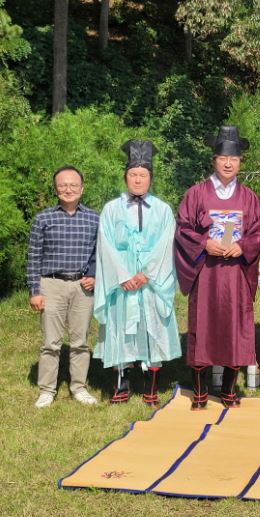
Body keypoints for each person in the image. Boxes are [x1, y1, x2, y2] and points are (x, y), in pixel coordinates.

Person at [175, 126, 260, 410]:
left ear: (240, 161)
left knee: (235, 328)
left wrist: (243, 246)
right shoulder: (196, 194)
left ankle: (228, 389)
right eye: (223, 158)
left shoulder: (248, 197)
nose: (228, 164)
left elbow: (258, 229)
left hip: (235, 273)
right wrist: (204, 243)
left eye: (234, 159)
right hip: (207, 273)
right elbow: (183, 228)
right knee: (202, 326)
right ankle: (200, 391)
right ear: (214, 160)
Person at [93, 140, 182, 407]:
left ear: (150, 178)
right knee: (122, 329)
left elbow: (167, 242)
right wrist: (122, 275)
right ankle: (121, 386)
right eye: (133, 174)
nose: (138, 179)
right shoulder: (111, 209)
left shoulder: (163, 210)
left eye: (143, 175)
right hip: (122, 283)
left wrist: (146, 274)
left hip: (151, 281)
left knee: (152, 328)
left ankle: (150, 388)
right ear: (125, 177)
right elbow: (106, 244)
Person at [27, 166, 99, 408]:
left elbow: (100, 253)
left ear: (82, 188)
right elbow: (34, 257)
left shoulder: (94, 218)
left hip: (82, 286)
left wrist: (95, 275)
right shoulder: (43, 219)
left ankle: (79, 387)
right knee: (51, 343)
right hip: (51, 284)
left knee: (80, 342)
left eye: (73, 185)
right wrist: (34, 291)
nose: (68, 189)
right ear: (56, 189)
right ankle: (47, 390)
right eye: (63, 185)